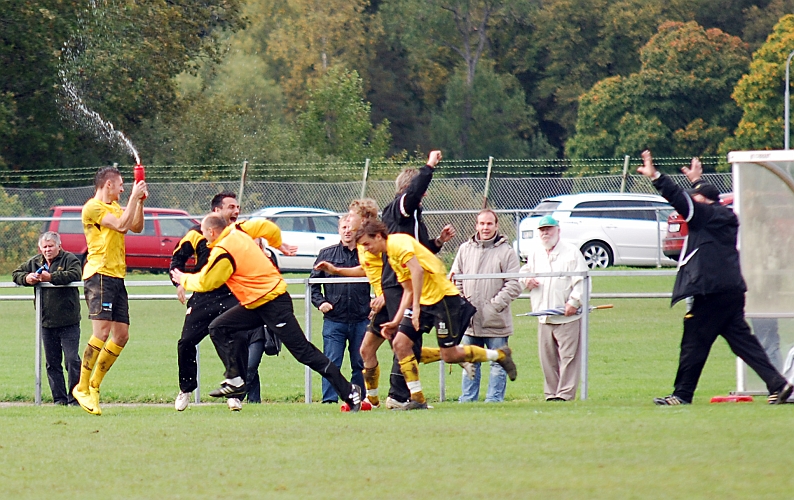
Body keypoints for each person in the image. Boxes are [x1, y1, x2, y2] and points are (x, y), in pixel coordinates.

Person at [639, 150, 793, 405]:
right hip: (731, 291)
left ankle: (681, 395)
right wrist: (696, 182)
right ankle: (778, 384)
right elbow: (698, 198)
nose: (692, 203)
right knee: (744, 343)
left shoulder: (705, 216)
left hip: (711, 292)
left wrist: (656, 176)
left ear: (705, 202)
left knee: (693, 343)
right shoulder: (722, 216)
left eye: (696, 198)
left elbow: (680, 200)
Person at [171, 214, 363, 412]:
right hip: (255, 303)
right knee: (219, 327)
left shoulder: (223, 251)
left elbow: (207, 282)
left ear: (211, 231)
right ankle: (235, 379)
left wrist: (183, 278)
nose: (203, 236)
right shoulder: (239, 229)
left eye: (204, 232)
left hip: (274, 303)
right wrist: (278, 243)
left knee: (303, 352)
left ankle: (349, 391)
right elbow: (265, 226)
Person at [355, 219, 516, 410]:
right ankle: (418, 399)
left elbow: (417, 272)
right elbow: (407, 289)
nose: (366, 249)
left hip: (443, 300)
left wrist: (415, 309)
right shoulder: (391, 256)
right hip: (424, 303)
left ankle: (499, 355)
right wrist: (396, 321)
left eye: (367, 244)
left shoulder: (398, 244)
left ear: (379, 236)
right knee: (400, 344)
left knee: (449, 355)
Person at [378, 150, 456, 408]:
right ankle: (399, 395)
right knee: (408, 339)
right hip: (401, 282)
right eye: (420, 192)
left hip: (402, 280)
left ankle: (401, 395)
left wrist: (437, 242)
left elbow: (419, 250)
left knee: (405, 340)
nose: (423, 196)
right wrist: (429, 167)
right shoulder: (401, 206)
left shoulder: (410, 218)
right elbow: (412, 194)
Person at [72, 166, 147, 415]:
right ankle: (81, 386)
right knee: (101, 333)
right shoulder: (93, 207)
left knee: (122, 335)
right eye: (121, 184)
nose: (124, 188)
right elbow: (121, 226)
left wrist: (140, 203)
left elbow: (135, 226)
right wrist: (133, 198)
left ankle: (95, 385)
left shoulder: (115, 207)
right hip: (99, 275)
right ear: (108, 185)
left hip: (117, 276)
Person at [170, 192, 246, 412]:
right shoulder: (196, 233)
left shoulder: (238, 233)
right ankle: (186, 389)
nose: (236, 211)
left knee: (237, 338)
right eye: (231, 207)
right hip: (203, 297)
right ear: (216, 211)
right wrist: (180, 283)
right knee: (186, 342)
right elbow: (177, 260)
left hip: (231, 295)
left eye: (238, 207)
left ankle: (235, 392)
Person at [450, 209, 522, 403]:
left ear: (496, 226)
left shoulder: (506, 252)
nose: (485, 227)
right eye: (482, 223)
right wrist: (463, 305)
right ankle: (467, 400)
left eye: (489, 224)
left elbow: (514, 284)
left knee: (498, 363)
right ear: (476, 225)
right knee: (469, 362)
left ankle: (494, 401)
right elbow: (456, 277)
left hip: (495, 321)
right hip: (470, 322)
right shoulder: (465, 249)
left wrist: (493, 307)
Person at [519, 215, 588, 402]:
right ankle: (551, 394)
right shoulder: (535, 252)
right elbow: (524, 271)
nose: (545, 233)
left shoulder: (572, 252)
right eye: (542, 230)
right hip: (544, 315)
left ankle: (565, 395)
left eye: (549, 229)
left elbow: (583, 281)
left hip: (567, 316)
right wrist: (527, 280)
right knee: (547, 359)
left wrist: (574, 303)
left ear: (558, 230)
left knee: (569, 358)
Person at [12, 232, 82, 405]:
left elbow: (75, 274)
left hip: (69, 321)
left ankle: (76, 398)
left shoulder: (69, 259)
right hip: (45, 321)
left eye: (51, 246)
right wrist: (27, 278)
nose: (47, 250)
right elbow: (16, 273)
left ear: (59, 245)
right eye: (44, 247)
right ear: (40, 248)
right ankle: (59, 399)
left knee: (72, 360)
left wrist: (51, 278)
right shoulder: (36, 261)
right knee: (52, 363)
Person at [310, 216, 370, 403]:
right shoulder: (327, 254)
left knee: (360, 363)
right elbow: (313, 284)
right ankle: (329, 400)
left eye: (351, 227)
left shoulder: (366, 254)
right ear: (338, 230)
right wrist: (320, 303)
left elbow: (380, 278)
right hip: (334, 320)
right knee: (331, 362)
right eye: (344, 227)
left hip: (361, 319)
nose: (347, 231)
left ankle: (360, 399)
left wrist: (375, 304)